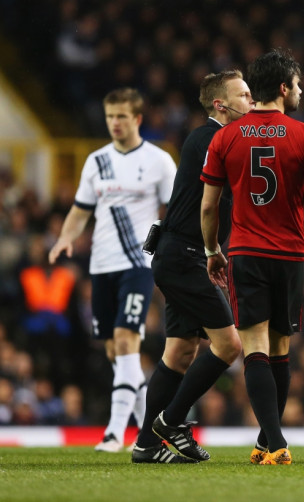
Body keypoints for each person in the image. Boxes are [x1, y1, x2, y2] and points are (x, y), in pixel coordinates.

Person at [200, 48, 304, 465]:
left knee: (256, 350)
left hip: (246, 252)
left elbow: (209, 207)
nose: (300, 91)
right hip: (289, 255)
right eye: (297, 85)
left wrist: (213, 250)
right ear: (283, 88)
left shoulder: (224, 137)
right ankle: (271, 442)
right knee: (280, 348)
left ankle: (272, 440)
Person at [130, 70, 254, 464]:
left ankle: (146, 446)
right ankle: (171, 422)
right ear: (221, 104)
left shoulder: (208, 139)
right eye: (244, 95)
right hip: (186, 257)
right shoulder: (214, 138)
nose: (251, 102)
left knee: (181, 351)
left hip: (180, 255)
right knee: (229, 345)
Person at [49, 87, 177, 452]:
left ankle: (114, 432)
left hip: (138, 262)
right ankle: (149, 427)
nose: (114, 123)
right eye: (109, 117)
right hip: (101, 264)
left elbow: (173, 213)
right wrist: (64, 238)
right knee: (114, 350)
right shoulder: (96, 161)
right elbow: (80, 209)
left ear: (137, 119)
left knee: (126, 339)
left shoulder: (159, 161)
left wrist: (160, 252)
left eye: (121, 116)